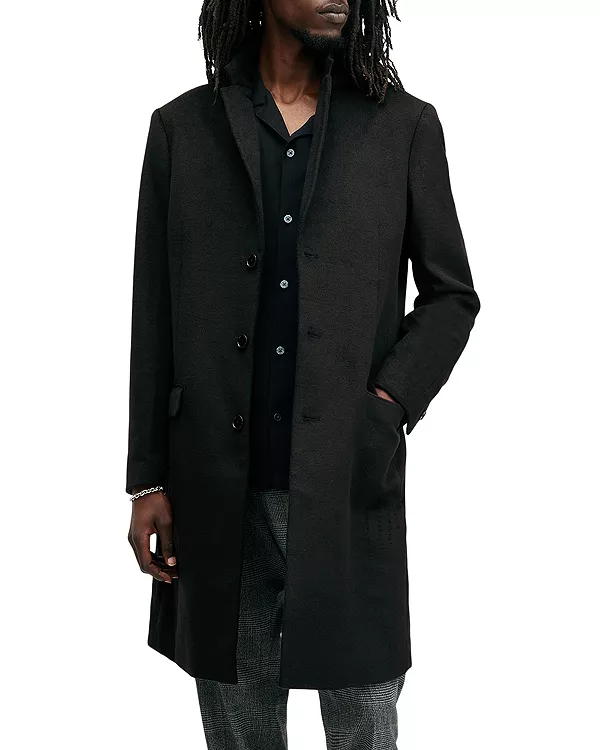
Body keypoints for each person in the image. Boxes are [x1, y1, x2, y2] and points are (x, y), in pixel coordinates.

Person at [126, 1, 481, 747]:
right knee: (240, 731)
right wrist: (147, 479)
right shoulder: (182, 129)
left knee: (364, 722)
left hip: (346, 483)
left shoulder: (402, 127)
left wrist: (386, 404)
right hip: (217, 492)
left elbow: (452, 296)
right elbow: (154, 313)